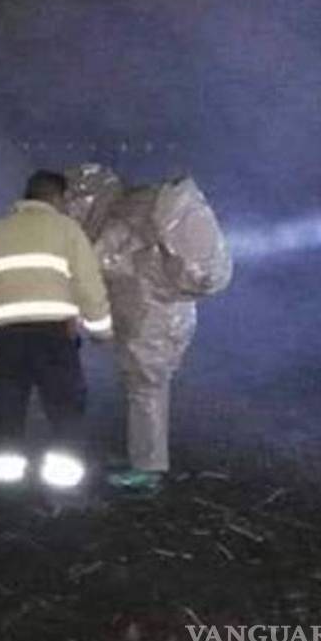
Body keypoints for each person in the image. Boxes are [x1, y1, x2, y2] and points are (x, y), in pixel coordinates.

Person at [62, 164, 233, 493]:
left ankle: (147, 468)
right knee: (145, 389)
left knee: (146, 391)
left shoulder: (118, 222)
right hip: (165, 315)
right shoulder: (140, 207)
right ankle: (141, 457)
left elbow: (100, 268)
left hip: (151, 320)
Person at [0, 170, 113, 488]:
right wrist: (100, 328)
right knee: (64, 409)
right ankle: (62, 482)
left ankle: (6, 483)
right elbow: (89, 283)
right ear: (57, 197)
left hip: (9, 338)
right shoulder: (67, 230)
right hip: (55, 336)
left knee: (8, 407)